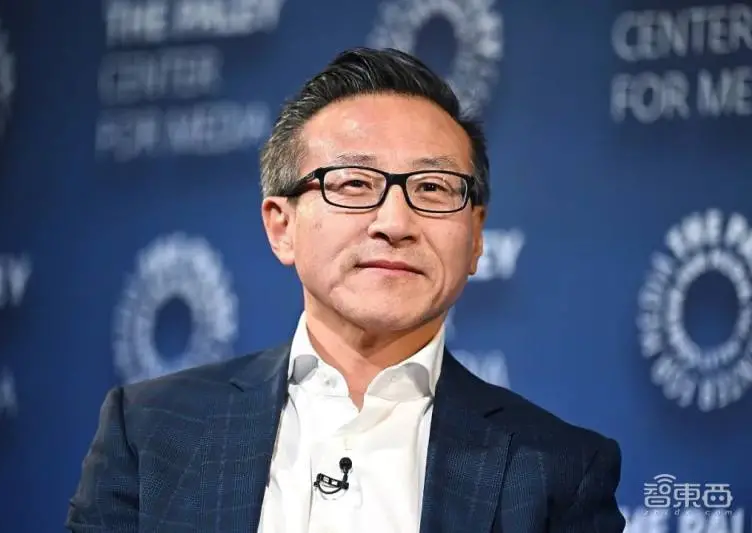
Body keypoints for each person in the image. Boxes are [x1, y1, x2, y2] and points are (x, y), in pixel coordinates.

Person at [66, 47, 625, 533]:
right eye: (355, 183)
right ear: (281, 226)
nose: (395, 223)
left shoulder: (558, 470)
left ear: (476, 236)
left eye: (433, 188)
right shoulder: (151, 432)